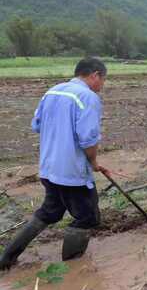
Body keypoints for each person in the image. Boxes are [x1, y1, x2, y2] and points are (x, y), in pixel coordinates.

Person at [0, 57, 110, 270]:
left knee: (49, 212)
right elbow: (88, 139)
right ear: (95, 75)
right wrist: (94, 161)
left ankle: (6, 258)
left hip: (48, 169)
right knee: (87, 217)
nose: (102, 85)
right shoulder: (88, 97)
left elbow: (37, 125)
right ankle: (72, 269)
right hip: (72, 173)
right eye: (103, 80)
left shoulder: (53, 91)